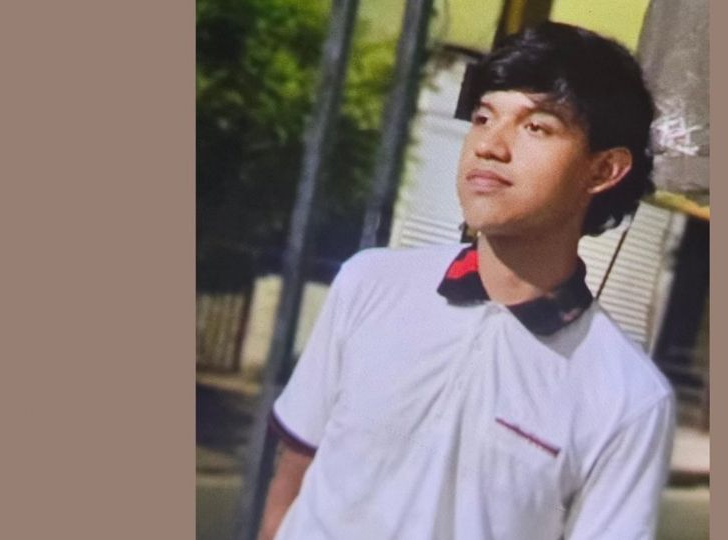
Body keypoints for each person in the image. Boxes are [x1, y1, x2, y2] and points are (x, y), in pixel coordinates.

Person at [258, 21, 675, 540]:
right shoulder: (370, 283)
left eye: (536, 127)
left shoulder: (629, 397)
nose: (489, 146)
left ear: (603, 169)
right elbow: (294, 476)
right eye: (483, 117)